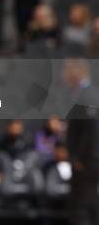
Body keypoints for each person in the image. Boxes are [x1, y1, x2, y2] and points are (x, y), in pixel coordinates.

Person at [64, 58, 99, 225]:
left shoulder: (88, 96)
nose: (64, 76)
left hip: (87, 165)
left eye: (67, 71)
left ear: (76, 73)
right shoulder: (82, 95)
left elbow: (92, 131)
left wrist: (79, 159)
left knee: (83, 209)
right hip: (87, 163)